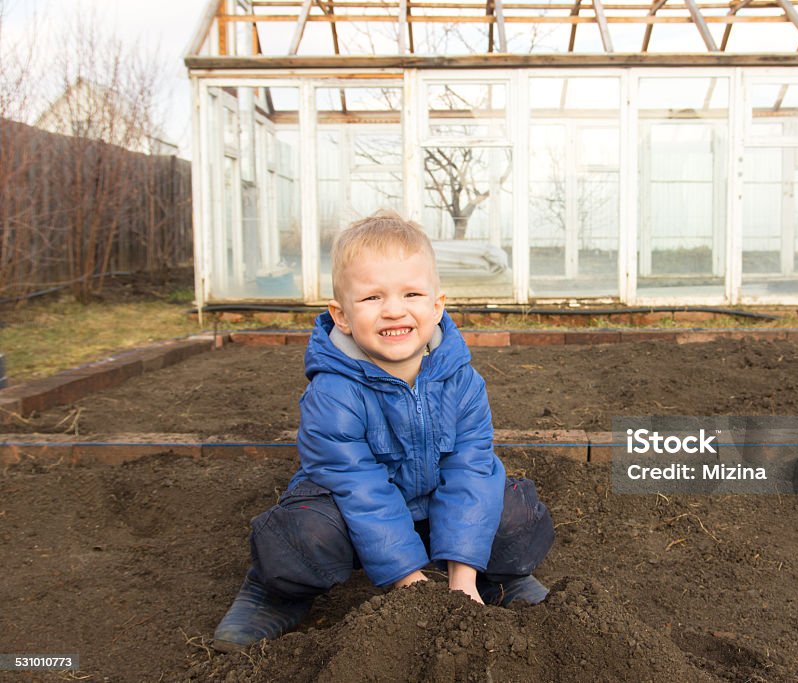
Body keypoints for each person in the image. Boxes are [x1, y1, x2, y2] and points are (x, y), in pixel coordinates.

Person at [212, 211, 554, 652]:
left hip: (433, 508)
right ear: (342, 315)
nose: (394, 309)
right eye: (372, 297)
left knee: (514, 514)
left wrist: (461, 579)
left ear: (437, 305)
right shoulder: (333, 392)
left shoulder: (463, 381)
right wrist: (413, 586)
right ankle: (276, 595)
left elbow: (470, 470)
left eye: (411, 293)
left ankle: (495, 579)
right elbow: (361, 490)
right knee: (302, 537)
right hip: (351, 516)